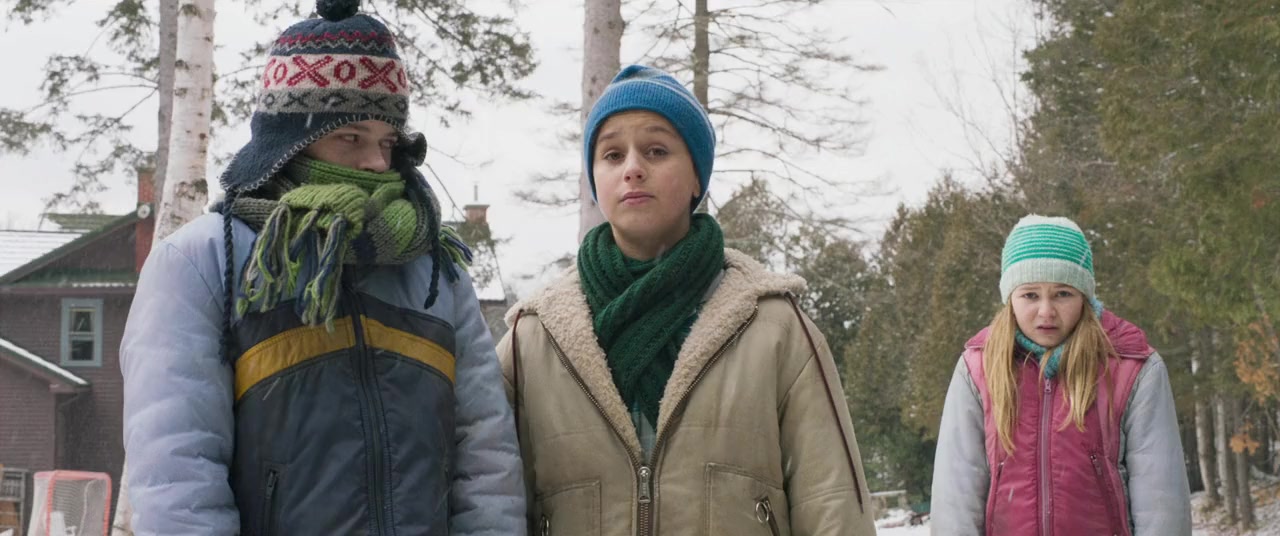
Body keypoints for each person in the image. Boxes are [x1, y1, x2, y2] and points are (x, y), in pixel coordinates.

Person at [119, 1, 524, 533]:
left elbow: (486, 455)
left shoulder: (435, 271)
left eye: (387, 141)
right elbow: (178, 473)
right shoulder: (203, 262)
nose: (376, 162)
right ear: (291, 142)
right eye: (350, 136)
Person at [496, 64, 876, 535]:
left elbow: (833, 502)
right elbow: (487, 499)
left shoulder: (775, 328)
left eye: (656, 150)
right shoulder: (532, 341)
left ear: (697, 176)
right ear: (594, 179)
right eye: (612, 154)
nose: (633, 168)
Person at [931, 215, 1192, 535]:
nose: (1046, 311)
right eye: (1030, 295)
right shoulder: (977, 370)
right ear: (1010, 297)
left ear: (1084, 296)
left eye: (1063, 294)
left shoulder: (1132, 368)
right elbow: (956, 496)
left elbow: (1161, 499)